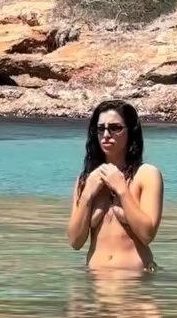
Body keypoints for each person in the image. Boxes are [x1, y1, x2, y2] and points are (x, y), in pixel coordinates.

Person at [67, 100, 164, 271]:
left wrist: (122, 190)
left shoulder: (147, 175)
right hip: (94, 280)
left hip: (135, 280)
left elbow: (147, 235)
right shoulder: (87, 179)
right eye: (100, 129)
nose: (106, 134)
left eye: (115, 128)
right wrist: (87, 194)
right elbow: (75, 242)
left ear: (131, 131)